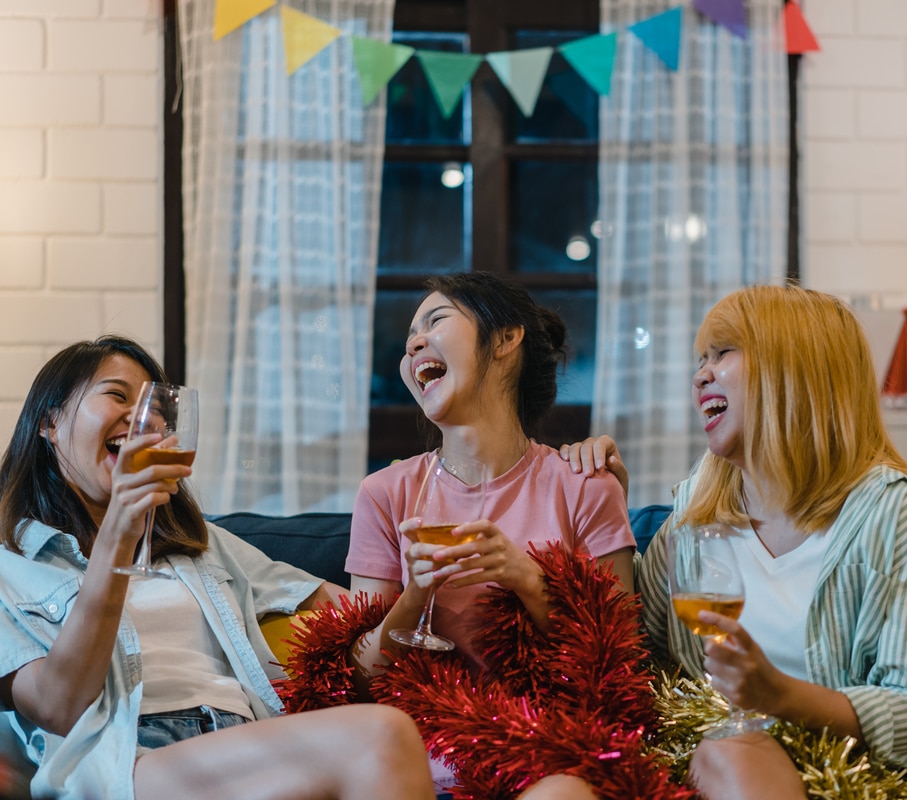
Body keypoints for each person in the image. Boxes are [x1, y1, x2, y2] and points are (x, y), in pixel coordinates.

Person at [562, 285, 907, 800]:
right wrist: (602, 510)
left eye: (722, 353)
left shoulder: (903, 526)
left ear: (795, 373)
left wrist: (779, 695)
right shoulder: (694, 517)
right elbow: (628, 659)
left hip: (866, 776)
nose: (700, 374)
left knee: (729, 751)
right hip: (713, 760)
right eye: (700, 360)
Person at [0, 336, 434, 800]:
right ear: (49, 420)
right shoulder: (10, 564)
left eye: (155, 407)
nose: (143, 417)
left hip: (240, 737)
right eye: (117, 395)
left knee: (389, 737)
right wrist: (118, 535)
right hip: (128, 758)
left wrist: (420, 588)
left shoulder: (203, 546)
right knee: (381, 736)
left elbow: (354, 614)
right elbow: (58, 705)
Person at [344, 272, 637, 798]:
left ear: (506, 339)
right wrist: (415, 595)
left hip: (551, 759)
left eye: (436, 321)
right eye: (411, 334)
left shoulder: (585, 487)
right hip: (416, 766)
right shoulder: (384, 494)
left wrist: (527, 578)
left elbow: (621, 670)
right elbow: (360, 680)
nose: (413, 343)